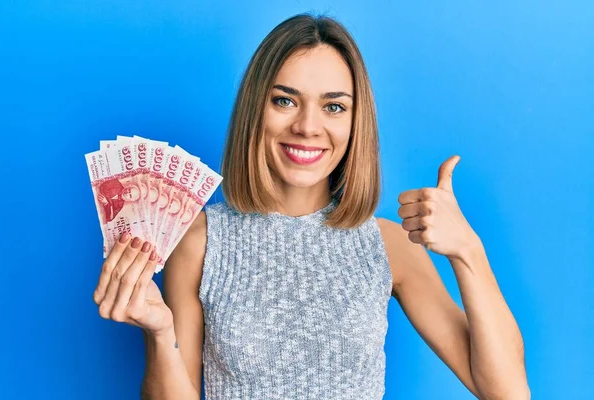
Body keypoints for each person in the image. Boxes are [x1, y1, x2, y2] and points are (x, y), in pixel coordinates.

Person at [92, 13, 530, 400]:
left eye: (334, 107)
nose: (307, 126)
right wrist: (159, 331)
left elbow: (507, 392)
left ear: (355, 123)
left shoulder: (389, 244)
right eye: (285, 100)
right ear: (255, 109)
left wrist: (469, 253)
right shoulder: (201, 241)